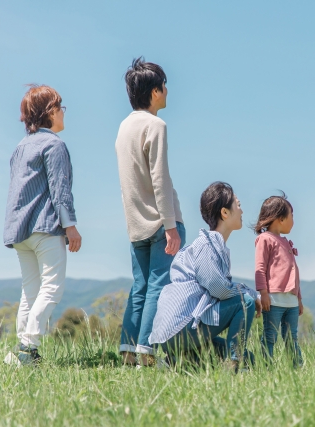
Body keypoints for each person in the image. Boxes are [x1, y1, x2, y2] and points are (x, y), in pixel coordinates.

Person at [3, 85, 82, 365]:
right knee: (52, 288)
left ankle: (22, 354)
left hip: (18, 230)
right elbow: (60, 189)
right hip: (44, 227)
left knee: (30, 290)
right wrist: (70, 226)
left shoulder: (20, 147)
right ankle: (27, 346)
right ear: (49, 112)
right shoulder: (54, 145)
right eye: (60, 107)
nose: (63, 112)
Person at [115, 57, 185, 366]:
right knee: (160, 286)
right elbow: (159, 177)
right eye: (164, 85)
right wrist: (170, 225)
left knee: (140, 287)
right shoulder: (156, 125)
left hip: (135, 223)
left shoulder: (123, 127)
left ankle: (128, 350)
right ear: (154, 92)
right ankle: (148, 351)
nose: (167, 91)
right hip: (160, 220)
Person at [149, 182, 262, 371]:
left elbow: (221, 287)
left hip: (179, 332)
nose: (242, 211)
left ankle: (175, 363)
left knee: (248, 357)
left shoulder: (212, 246)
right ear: (225, 213)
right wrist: (252, 294)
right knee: (245, 302)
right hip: (180, 329)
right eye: (238, 205)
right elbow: (219, 287)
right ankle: (234, 364)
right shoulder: (207, 244)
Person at [254, 193, 303, 367]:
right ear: (280, 219)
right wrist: (263, 293)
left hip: (291, 301)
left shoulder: (286, 242)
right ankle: (267, 369)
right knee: (270, 336)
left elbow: (293, 273)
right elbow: (260, 269)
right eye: (292, 215)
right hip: (273, 300)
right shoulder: (265, 239)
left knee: (292, 338)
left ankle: (297, 368)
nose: (293, 220)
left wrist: (299, 298)